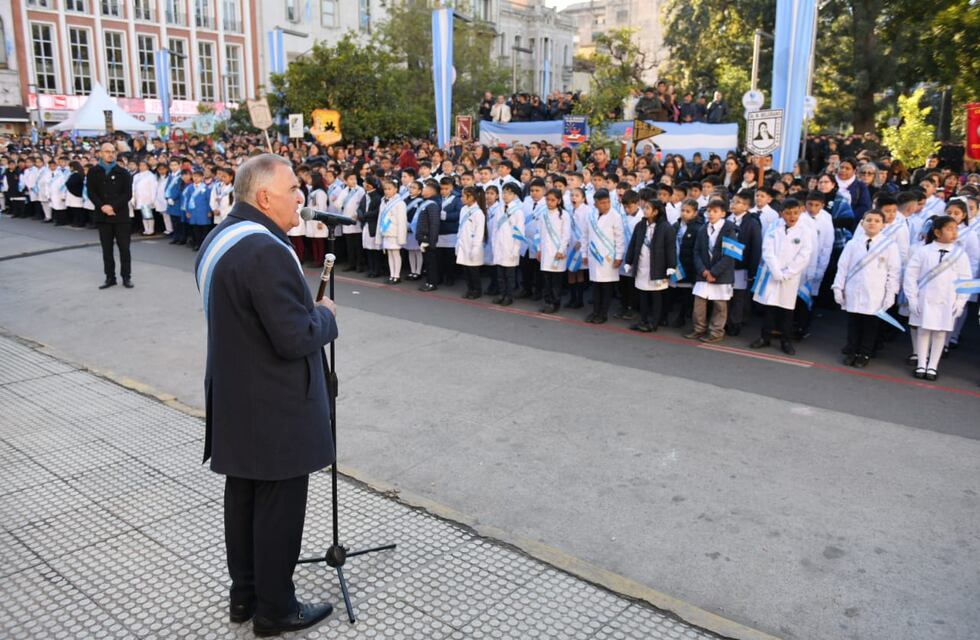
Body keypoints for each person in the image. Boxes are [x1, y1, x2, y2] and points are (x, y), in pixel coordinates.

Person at [194, 154, 337, 637]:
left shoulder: (220, 237)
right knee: (278, 508)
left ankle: (246, 596)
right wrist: (326, 315)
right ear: (263, 197)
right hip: (274, 407)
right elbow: (294, 337)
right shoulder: (265, 251)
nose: (302, 196)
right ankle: (275, 609)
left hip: (237, 397)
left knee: (244, 499)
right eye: (294, 188)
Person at [903, 215, 971, 381]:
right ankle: (921, 363)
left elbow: (966, 279)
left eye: (956, 229)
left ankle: (933, 365)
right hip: (924, 298)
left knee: (940, 333)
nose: (954, 233)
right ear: (937, 232)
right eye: (949, 229)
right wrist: (912, 298)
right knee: (923, 330)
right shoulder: (924, 251)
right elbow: (911, 275)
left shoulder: (960, 254)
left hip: (947, 299)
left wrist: (961, 301)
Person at [832, 209, 902, 368]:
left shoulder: (889, 245)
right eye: (869, 220)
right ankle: (852, 351)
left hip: (875, 292)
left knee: (870, 325)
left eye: (877, 221)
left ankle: (864, 353)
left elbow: (894, 272)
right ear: (862, 223)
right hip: (853, 289)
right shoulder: (852, 243)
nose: (872, 223)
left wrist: (891, 294)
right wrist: (838, 287)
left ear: (883, 225)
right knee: (854, 323)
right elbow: (842, 267)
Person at [750, 198, 814, 355]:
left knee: (786, 310)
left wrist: (787, 273)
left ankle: (786, 341)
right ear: (781, 213)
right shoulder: (774, 226)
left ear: (800, 212)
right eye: (788, 213)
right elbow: (767, 249)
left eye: (795, 213)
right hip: (772, 274)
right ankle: (765, 337)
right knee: (769, 307)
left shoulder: (805, 230)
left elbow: (804, 255)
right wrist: (776, 271)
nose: (792, 216)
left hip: (790, 277)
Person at [687, 199, 736, 342]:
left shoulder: (730, 229)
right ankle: (698, 329)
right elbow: (696, 251)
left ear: (723, 213)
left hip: (721, 274)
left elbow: (729, 255)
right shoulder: (703, 229)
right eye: (709, 211)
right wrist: (703, 271)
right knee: (699, 304)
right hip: (704, 273)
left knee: (720, 306)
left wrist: (714, 272)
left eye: (715, 211)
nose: (711, 214)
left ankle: (716, 332)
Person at [87, 142, 134, 289]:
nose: (110, 154)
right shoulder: (93, 172)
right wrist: (103, 207)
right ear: (100, 153)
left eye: (113, 151)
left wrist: (112, 206)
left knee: (124, 249)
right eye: (107, 151)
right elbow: (91, 193)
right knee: (107, 249)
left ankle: (126, 277)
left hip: (121, 217)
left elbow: (127, 194)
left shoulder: (123, 172)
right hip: (103, 217)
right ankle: (110, 277)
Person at [625, 198, 676, 332]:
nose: (644, 210)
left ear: (655, 212)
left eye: (648, 208)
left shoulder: (666, 227)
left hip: (658, 267)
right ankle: (643, 320)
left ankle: (654, 323)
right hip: (642, 266)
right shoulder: (640, 225)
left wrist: (671, 265)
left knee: (656, 296)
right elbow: (633, 244)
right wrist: (629, 261)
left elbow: (671, 248)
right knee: (642, 294)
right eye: (645, 207)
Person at [581, 189, 625, 324]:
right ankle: (595, 311)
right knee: (596, 286)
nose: (606, 205)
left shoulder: (615, 216)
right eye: (602, 203)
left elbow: (620, 238)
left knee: (606, 287)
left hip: (608, 258)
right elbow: (585, 235)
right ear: (595, 204)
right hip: (594, 256)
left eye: (607, 202)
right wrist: (584, 253)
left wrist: (618, 256)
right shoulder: (591, 215)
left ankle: (603, 313)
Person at [726, 189, 762, 336]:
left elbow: (755, 248)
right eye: (733, 201)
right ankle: (725, 321)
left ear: (747, 206)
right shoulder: (728, 219)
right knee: (726, 294)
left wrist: (752, 270)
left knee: (739, 296)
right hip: (726, 264)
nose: (733, 204)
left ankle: (735, 323)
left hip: (742, 265)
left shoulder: (752, 223)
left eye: (738, 202)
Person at [537, 187, 571, 313]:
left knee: (556, 281)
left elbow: (566, 235)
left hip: (558, 253)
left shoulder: (564, 215)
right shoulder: (543, 214)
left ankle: (555, 303)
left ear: (558, 201)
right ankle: (547, 301)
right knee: (546, 280)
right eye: (547, 200)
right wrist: (539, 249)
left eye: (552, 200)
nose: (549, 202)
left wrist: (561, 250)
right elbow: (539, 233)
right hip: (546, 252)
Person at [492, 182, 526, 305]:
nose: (505, 195)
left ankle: (509, 296)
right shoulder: (499, 209)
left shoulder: (518, 211)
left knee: (510, 275)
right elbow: (495, 228)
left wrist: (515, 249)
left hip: (510, 247)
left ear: (515, 195)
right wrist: (494, 244)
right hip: (499, 245)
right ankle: (501, 294)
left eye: (509, 193)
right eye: (504, 192)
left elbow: (519, 232)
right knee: (500, 274)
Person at [455, 186, 487, 298]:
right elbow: (460, 228)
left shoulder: (478, 213)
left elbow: (479, 233)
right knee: (466, 270)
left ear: (472, 197)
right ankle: (470, 289)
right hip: (463, 243)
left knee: (473, 271)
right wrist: (457, 244)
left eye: (464, 196)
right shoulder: (463, 209)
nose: (461, 198)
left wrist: (475, 248)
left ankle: (476, 291)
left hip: (473, 245)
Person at [378, 178, 408, 284]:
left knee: (395, 253)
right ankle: (392, 274)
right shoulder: (383, 201)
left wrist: (401, 237)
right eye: (385, 189)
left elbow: (402, 222)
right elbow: (380, 219)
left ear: (396, 190)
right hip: (386, 232)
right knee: (389, 254)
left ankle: (397, 275)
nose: (387, 191)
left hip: (395, 233)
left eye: (389, 189)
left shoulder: (400, 203)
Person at [415, 179, 443, 292]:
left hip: (428, 238)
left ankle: (432, 283)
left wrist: (432, 241)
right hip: (423, 237)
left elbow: (434, 224)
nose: (423, 189)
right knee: (427, 262)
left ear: (432, 191)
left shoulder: (432, 205)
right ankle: (429, 281)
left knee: (431, 263)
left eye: (426, 188)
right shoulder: (425, 202)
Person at [403, 180, 425, 280]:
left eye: (414, 188)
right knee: (410, 251)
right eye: (410, 187)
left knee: (417, 251)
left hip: (415, 228)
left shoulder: (421, 201)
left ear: (420, 191)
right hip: (406, 228)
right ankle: (412, 271)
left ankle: (418, 271)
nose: (411, 189)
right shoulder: (405, 200)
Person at [131, 159, 158, 236]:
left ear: (147, 166)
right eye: (140, 165)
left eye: (143, 165)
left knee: (148, 214)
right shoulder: (136, 176)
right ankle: (146, 229)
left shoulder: (151, 176)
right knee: (143, 214)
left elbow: (153, 188)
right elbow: (133, 187)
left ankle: (151, 230)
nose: (141, 167)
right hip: (139, 197)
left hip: (147, 197)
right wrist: (133, 197)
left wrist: (153, 199)